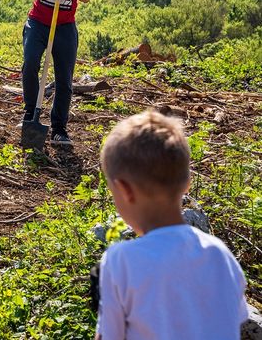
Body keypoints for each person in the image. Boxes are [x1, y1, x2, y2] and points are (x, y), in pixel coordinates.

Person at [95, 110, 248, 339]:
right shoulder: (220, 254)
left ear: (124, 190)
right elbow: (233, 321)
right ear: (187, 183)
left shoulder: (121, 261)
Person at [22, 0, 93, 147]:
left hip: (65, 26)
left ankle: (59, 129)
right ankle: (30, 115)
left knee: (65, 78)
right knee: (30, 63)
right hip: (39, 21)